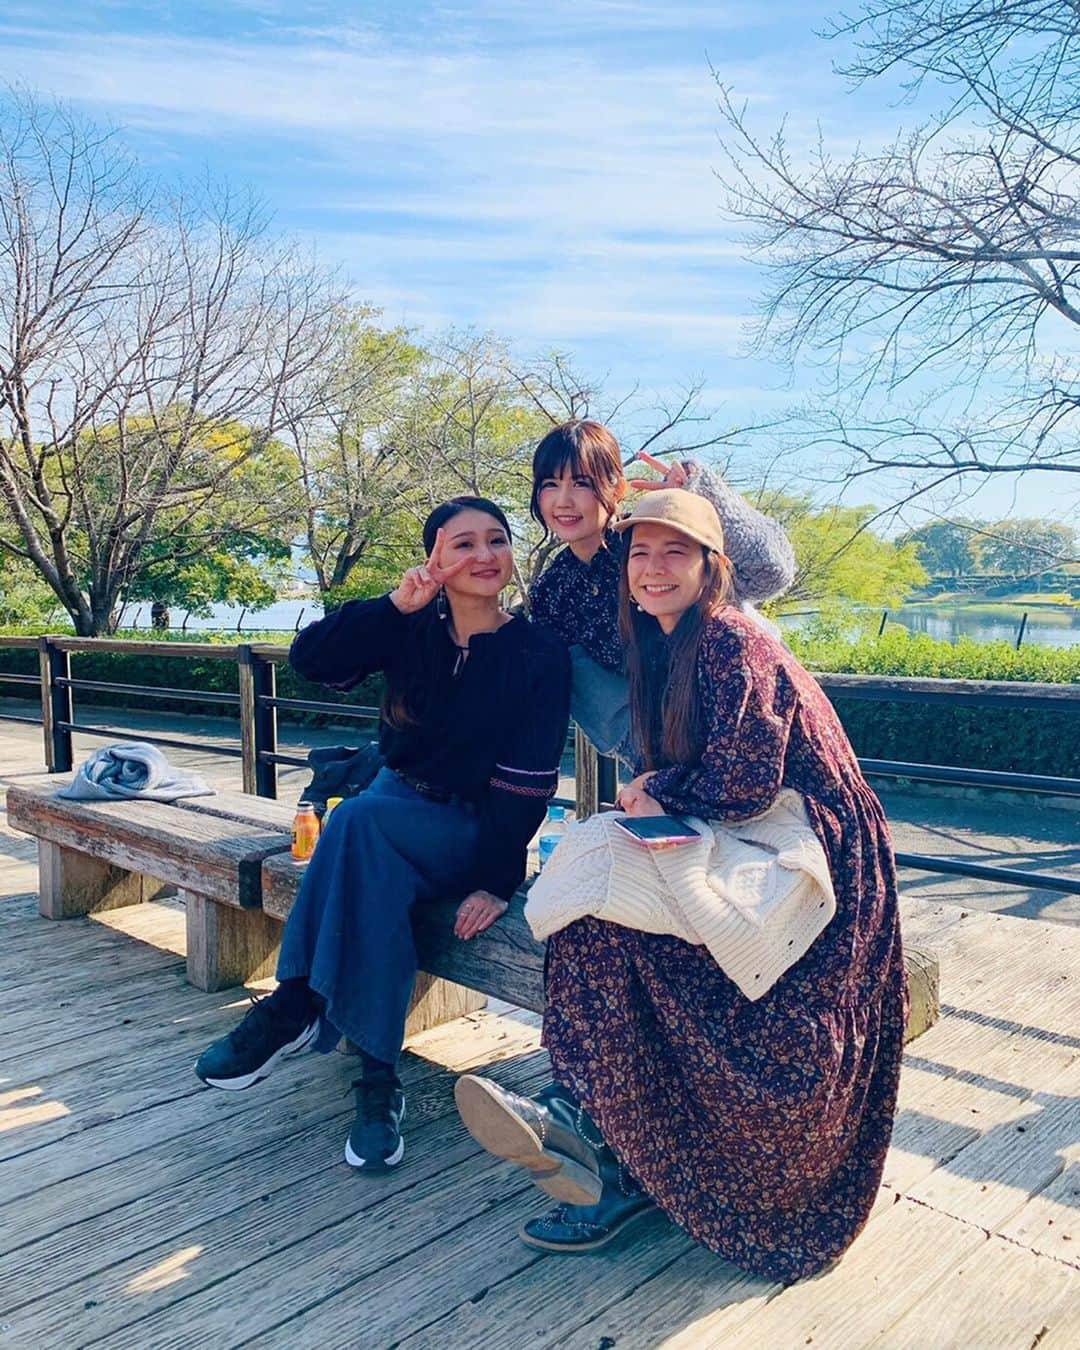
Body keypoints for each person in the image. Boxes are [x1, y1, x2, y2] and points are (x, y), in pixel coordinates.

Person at [456, 490, 907, 1283]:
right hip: (746, 828)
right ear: (623, 570)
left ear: (711, 567)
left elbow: (744, 777)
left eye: (676, 553)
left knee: (622, 921)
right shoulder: (661, 642)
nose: (654, 568)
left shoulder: (732, 638)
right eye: (641, 554)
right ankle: (599, 1140)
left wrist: (659, 793)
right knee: (596, 910)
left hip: (814, 844)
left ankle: (593, 1139)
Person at [194, 496, 570, 1173]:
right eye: (462, 545)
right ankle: (376, 1084)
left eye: (496, 540)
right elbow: (313, 659)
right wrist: (394, 608)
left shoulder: (536, 651)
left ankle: (298, 1001)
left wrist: (495, 878)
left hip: (467, 826)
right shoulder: (412, 628)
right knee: (371, 874)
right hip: (390, 815)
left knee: (354, 822)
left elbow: (529, 777)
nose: (484, 556)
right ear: (435, 560)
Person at [526, 419, 795, 758]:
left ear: (617, 488)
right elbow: (602, 703)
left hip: (756, 713)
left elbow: (770, 572)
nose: (563, 500)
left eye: (582, 483)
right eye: (550, 483)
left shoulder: (655, 538)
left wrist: (703, 498)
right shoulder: (552, 592)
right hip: (675, 751)